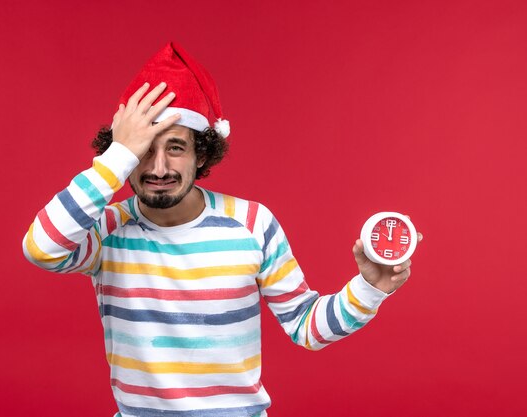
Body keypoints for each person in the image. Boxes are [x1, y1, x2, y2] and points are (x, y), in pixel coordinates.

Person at [23, 42, 421, 417]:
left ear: (202, 154)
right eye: (144, 150)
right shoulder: (108, 229)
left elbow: (306, 327)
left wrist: (370, 288)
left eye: (175, 147)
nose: (158, 168)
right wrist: (118, 156)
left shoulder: (251, 223)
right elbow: (41, 248)